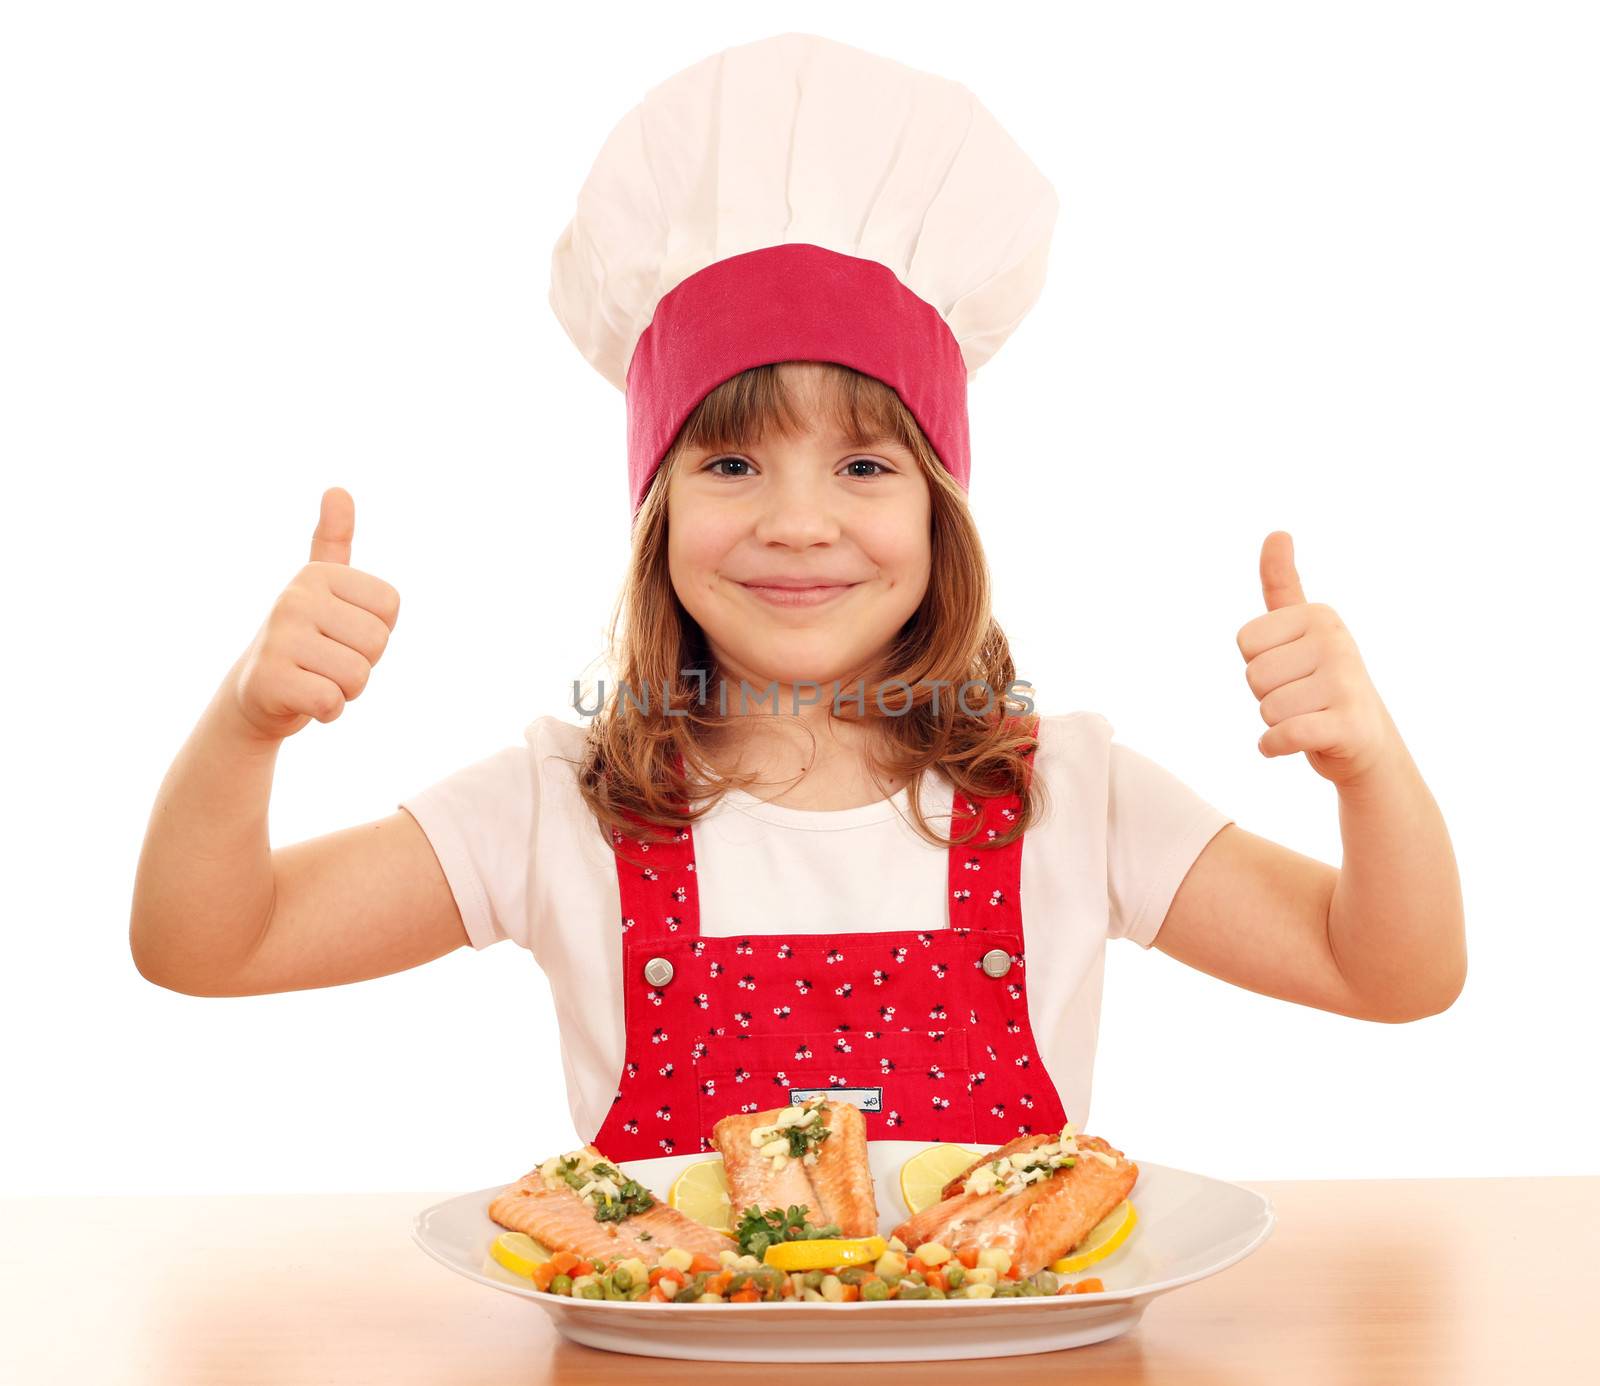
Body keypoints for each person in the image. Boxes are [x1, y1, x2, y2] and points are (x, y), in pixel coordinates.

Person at [129, 34, 1466, 1160]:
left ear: (942, 514)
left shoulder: (1071, 794)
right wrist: (250, 720)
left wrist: (1367, 761)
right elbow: (208, 944)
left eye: (865, 461)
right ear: (656, 512)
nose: (798, 520)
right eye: (730, 459)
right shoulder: (561, 805)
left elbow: (1391, 973)